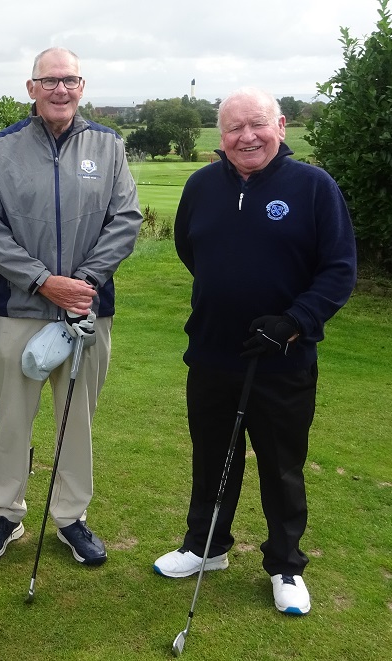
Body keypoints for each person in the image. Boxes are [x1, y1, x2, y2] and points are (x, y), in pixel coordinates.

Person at [153, 87, 357, 615]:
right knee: (211, 458)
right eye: (234, 128)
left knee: (282, 466)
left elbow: (339, 270)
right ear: (221, 136)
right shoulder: (201, 186)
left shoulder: (313, 186)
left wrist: (294, 323)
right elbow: (190, 249)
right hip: (212, 351)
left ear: (281, 126)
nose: (247, 137)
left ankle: (286, 564)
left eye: (258, 124)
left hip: (283, 359)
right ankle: (207, 546)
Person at [0, 47, 143, 566]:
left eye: (69, 80)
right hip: (18, 309)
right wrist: (44, 282)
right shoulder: (1, 148)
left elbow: (125, 219)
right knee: (13, 419)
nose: (60, 89)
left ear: (82, 86)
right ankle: (7, 513)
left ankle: (71, 517)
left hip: (87, 310)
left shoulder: (108, 145)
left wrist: (83, 283)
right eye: (49, 81)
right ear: (31, 88)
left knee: (76, 420)